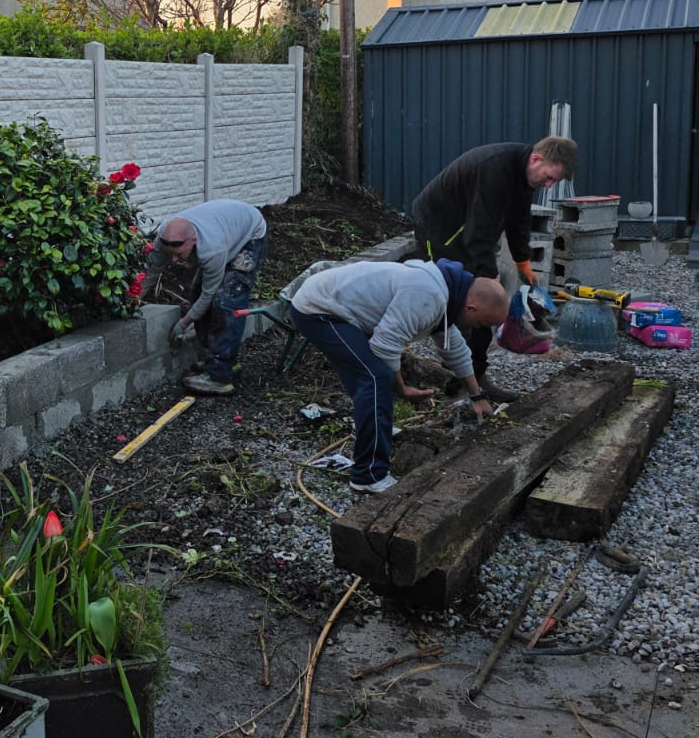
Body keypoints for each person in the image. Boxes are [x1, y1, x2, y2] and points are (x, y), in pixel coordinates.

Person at [289, 258, 510, 494]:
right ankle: (368, 474)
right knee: (376, 379)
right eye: (480, 323)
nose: (477, 329)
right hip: (319, 311)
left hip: (337, 309)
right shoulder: (428, 294)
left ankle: (375, 432)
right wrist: (402, 388)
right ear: (471, 307)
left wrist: (477, 395)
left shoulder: (447, 294)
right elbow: (385, 346)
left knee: (371, 377)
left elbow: (454, 349)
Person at [411, 136, 578, 396]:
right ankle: (456, 382)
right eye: (548, 178)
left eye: (553, 181)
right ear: (536, 159)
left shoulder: (523, 174)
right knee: (461, 302)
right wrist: (490, 280)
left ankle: (476, 378)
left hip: (468, 230)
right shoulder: (494, 169)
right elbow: (479, 235)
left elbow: (519, 218)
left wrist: (522, 262)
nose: (548, 185)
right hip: (439, 229)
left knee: (481, 304)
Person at [146, 199, 267, 395]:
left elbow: (208, 295)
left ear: (192, 241)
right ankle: (216, 357)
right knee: (195, 289)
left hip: (249, 236)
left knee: (227, 302)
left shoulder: (212, 249)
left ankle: (219, 375)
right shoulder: (163, 238)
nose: (174, 260)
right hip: (226, 229)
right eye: (171, 255)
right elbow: (151, 271)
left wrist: (183, 323)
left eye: (178, 254)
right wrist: (133, 299)